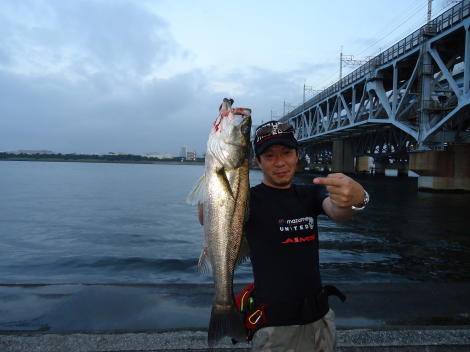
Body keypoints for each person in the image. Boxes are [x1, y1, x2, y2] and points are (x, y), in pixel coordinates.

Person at [245, 120, 369, 352]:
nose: (280, 162)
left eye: (287, 153)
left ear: (297, 155)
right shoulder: (248, 200)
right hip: (274, 326)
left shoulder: (311, 193)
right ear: (257, 161)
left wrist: (357, 198)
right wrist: (210, 206)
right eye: (270, 156)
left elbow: (337, 211)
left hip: (321, 319)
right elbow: (213, 218)